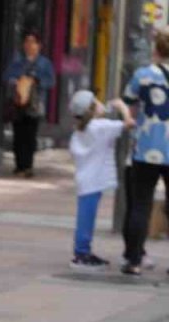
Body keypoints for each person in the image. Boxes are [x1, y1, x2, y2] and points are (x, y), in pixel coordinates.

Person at [119, 28, 169, 276]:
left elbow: (128, 98)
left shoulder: (143, 74)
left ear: (156, 49)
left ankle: (134, 260)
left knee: (140, 204)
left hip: (146, 147)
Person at [66, 91, 135, 271]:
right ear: (91, 108)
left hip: (85, 179)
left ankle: (83, 252)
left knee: (85, 216)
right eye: (96, 101)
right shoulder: (100, 126)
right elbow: (129, 124)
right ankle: (81, 255)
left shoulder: (81, 130)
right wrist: (123, 108)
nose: (100, 102)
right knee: (86, 218)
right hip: (93, 180)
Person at [3, 30, 56, 178]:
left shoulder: (44, 63)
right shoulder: (17, 62)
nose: (29, 45)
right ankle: (19, 165)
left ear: (39, 45)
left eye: (33, 42)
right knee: (18, 135)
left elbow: (51, 81)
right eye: (27, 42)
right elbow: (7, 76)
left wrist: (37, 80)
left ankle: (28, 166)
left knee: (30, 135)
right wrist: (16, 80)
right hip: (19, 103)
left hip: (35, 104)